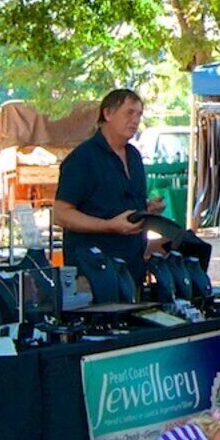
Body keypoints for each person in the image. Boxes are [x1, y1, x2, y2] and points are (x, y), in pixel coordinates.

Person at [49, 88, 164, 296]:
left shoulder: (134, 156)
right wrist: (108, 226)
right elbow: (61, 213)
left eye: (139, 114)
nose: (135, 120)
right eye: (129, 113)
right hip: (94, 273)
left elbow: (115, 202)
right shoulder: (83, 158)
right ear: (108, 114)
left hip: (131, 269)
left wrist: (146, 209)